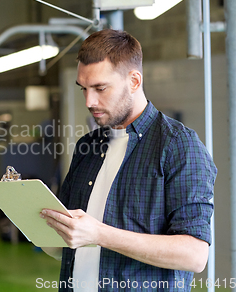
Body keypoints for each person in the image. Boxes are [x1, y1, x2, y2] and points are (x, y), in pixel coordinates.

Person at [40, 29, 216, 292]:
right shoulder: (87, 146)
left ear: (134, 81)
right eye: (84, 89)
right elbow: (65, 240)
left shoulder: (178, 145)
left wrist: (99, 234)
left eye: (100, 88)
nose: (89, 101)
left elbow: (194, 254)